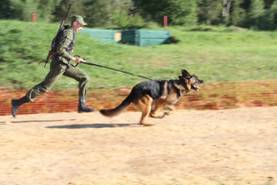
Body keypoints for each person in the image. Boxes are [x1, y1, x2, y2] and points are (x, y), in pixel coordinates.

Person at [11, 15, 94, 117]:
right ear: (75, 23)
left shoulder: (70, 32)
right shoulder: (69, 33)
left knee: (84, 77)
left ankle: (82, 105)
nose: (82, 27)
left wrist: (77, 58)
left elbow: (64, 50)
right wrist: (73, 59)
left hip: (64, 64)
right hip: (59, 65)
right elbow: (60, 50)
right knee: (44, 87)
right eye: (81, 25)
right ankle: (17, 103)